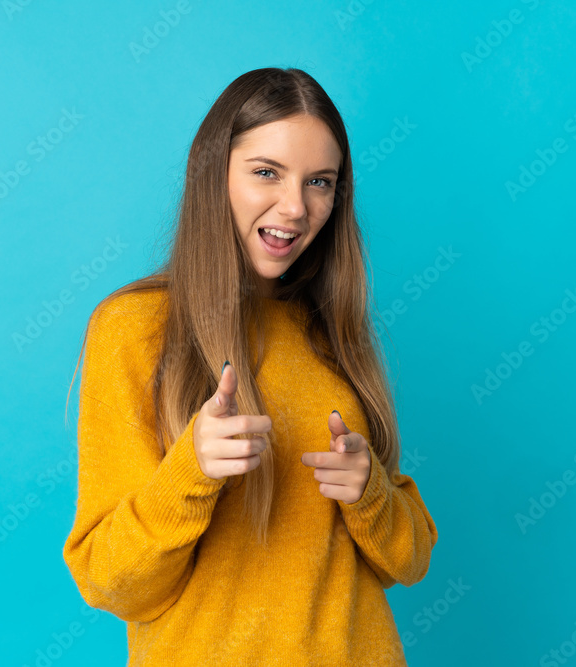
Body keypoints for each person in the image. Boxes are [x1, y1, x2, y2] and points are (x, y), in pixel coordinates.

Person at [61, 66, 438, 666]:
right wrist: (191, 471)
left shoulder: (334, 333)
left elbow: (410, 561)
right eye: (266, 172)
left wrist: (371, 494)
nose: (295, 206)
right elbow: (112, 583)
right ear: (215, 175)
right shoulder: (134, 329)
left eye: (320, 182)